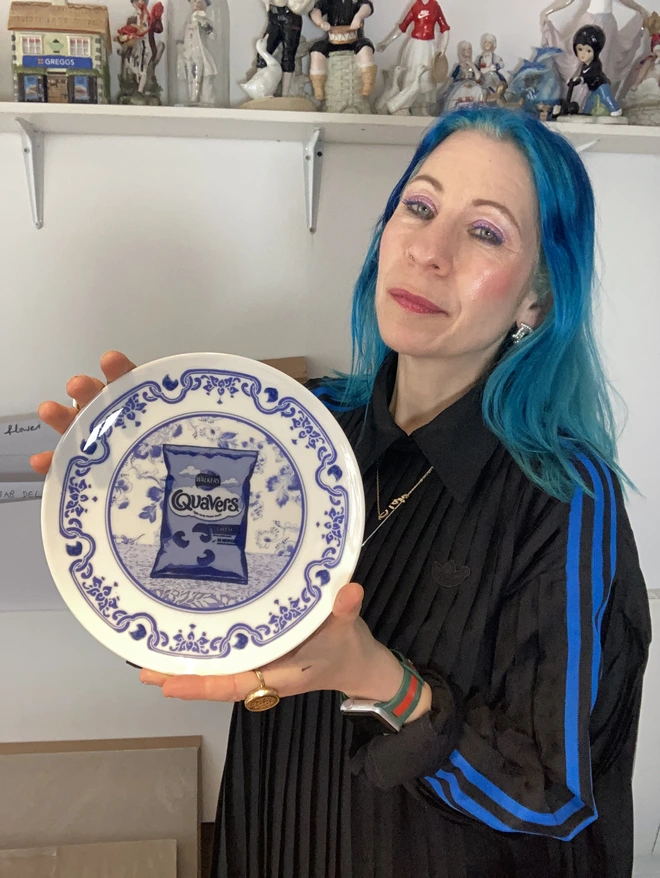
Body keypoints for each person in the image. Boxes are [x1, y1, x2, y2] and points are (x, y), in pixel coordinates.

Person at [32, 106, 652, 878]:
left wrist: (381, 681)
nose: (429, 250)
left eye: (485, 232)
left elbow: (552, 797)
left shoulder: (562, 492)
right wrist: (129, 494)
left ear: (537, 299)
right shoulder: (298, 424)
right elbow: (199, 617)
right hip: (274, 837)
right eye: (419, 207)